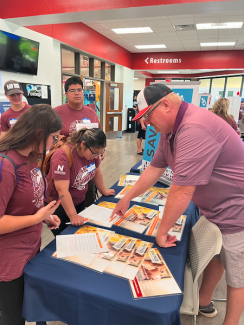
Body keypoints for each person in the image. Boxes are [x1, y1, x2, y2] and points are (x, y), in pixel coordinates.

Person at [111, 83, 244, 325]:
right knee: (216, 258)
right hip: (215, 208)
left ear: (165, 104)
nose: (144, 124)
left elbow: (182, 189)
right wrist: (127, 197)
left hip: (237, 213)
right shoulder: (171, 129)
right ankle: (203, 301)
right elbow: (155, 168)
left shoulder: (194, 127)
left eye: (146, 116)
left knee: (237, 277)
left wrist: (162, 232)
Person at [0, 104, 63, 325]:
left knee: (34, 310)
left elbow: (23, 203)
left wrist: (43, 216)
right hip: (8, 260)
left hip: (30, 248)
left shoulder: (31, 158)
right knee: (13, 317)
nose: (54, 143)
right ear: (39, 133)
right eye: (53, 137)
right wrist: (37, 218)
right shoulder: (6, 164)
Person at [45, 128, 115, 236]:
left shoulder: (93, 153)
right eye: (95, 153)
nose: (96, 157)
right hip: (59, 205)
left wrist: (103, 191)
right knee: (66, 237)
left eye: (100, 153)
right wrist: (73, 215)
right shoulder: (62, 156)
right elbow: (62, 189)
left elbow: (96, 172)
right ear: (83, 144)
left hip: (78, 201)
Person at [55, 76, 102, 208]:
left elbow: (98, 135)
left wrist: (100, 151)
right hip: (66, 164)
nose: (76, 93)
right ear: (66, 94)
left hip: (88, 164)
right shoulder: (57, 112)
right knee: (68, 199)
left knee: (88, 199)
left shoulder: (91, 112)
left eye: (79, 90)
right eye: (72, 90)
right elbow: (47, 137)